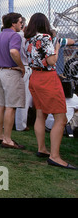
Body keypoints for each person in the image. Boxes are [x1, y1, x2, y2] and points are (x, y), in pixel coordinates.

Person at [24, 13, 76, 169]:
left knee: (40, 114)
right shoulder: (45, 38)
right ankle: (55, 156)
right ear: (45, 23)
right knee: (60, 118)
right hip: (47, 79)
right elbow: (52, 60)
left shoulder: (28, 40)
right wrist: (57, 47)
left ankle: (42, 149)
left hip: (34, 77)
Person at [0, 12, 26, 149]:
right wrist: (21, 66)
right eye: (20, 22)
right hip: (11, 72)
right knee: (10, 106)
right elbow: (14, 52)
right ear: (13, 23)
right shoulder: (14, 36)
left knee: (0, 105)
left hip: (0, 73)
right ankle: (7, 139)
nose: (22, 24)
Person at [15, 17, 32, 131]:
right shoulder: (24, 37)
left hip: (12, 67)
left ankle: (7, 123)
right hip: (24, 66)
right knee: (24, 98)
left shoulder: (8, 36)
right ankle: (21, 125)